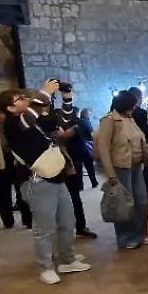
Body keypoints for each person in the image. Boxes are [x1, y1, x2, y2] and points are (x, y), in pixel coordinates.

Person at [0, 86, 92, 285]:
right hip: (37, 181)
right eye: (19, 99)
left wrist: (67, 98)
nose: (25, 100)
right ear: (10, 108)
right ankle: (45, 267)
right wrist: (46, 91)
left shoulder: (31, 122)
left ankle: (67, 259)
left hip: (56, 177)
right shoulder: (12, 124)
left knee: (67, 221)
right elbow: (31, 114)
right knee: (44, 228)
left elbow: (65, 121)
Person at [95, 91, 148, 250]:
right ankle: (125, 237)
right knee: (123, 203)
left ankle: (139, 233)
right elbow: (104, 147)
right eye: (132, 105)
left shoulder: (130, 119)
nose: (134, 107)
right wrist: (110, 174)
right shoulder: (110, 120)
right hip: (120, 167)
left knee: (141, 200)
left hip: (136, 165)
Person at [44, 88, 97, 239]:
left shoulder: (75, 122)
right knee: (56, 200)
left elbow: (80, 129)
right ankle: (61, 231)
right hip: (52, 163)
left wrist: (71, 132)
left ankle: (80, 226)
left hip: (71, 162)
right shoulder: (45, 121)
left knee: (75, 197)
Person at [129, 87, 148, 194]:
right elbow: (146, 132)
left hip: (131, 152)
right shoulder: (140, 113)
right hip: (145, 149)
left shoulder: (123, 115)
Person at [78, 108, 99, 189]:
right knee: (90, 166)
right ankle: (94, 182)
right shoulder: (86, 122)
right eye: (90, 114)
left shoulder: (78, 122)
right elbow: (91, 134)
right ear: (87, 114)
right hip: (86, 147)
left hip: (77, 147)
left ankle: (80, 185)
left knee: (79, 168)